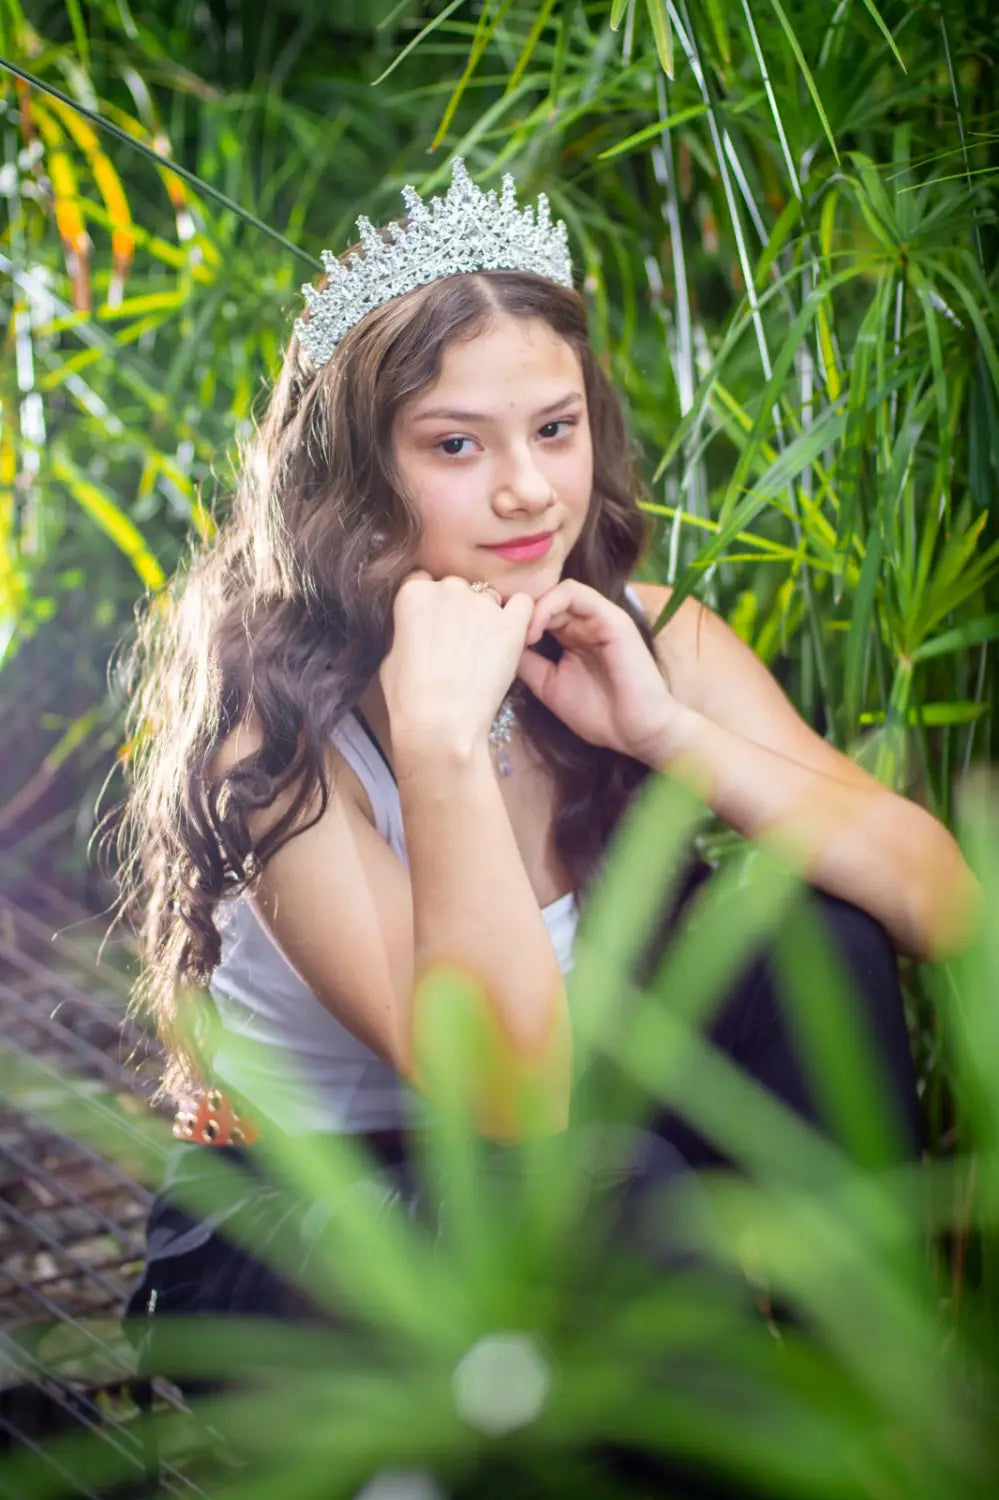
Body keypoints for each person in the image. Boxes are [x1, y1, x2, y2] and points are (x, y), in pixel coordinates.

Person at [118, 159, 976, 1362]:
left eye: (555, 429)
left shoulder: (644, 635)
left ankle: (865, 1396)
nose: (527, 490)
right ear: (356, 477)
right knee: (609, 1185)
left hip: (569, 1151)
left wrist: (666, 734)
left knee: (815, 945)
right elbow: (510, 1101)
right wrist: (437, 746)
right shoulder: (279, 737)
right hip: (306, 1234)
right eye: (456, 444)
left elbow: (947, 904)